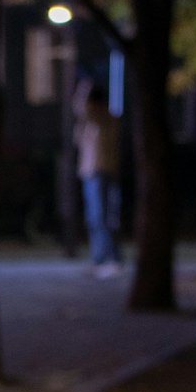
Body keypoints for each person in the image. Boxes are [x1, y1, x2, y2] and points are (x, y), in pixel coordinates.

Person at [74, 77, 121, 276]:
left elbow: (79, 108)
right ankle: (104, 256)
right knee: (98, 217)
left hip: (101, 171)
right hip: (94, 172)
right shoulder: (91, 122)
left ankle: (106, 257)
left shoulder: (103, 119)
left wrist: (84, 88)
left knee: (102, 216)